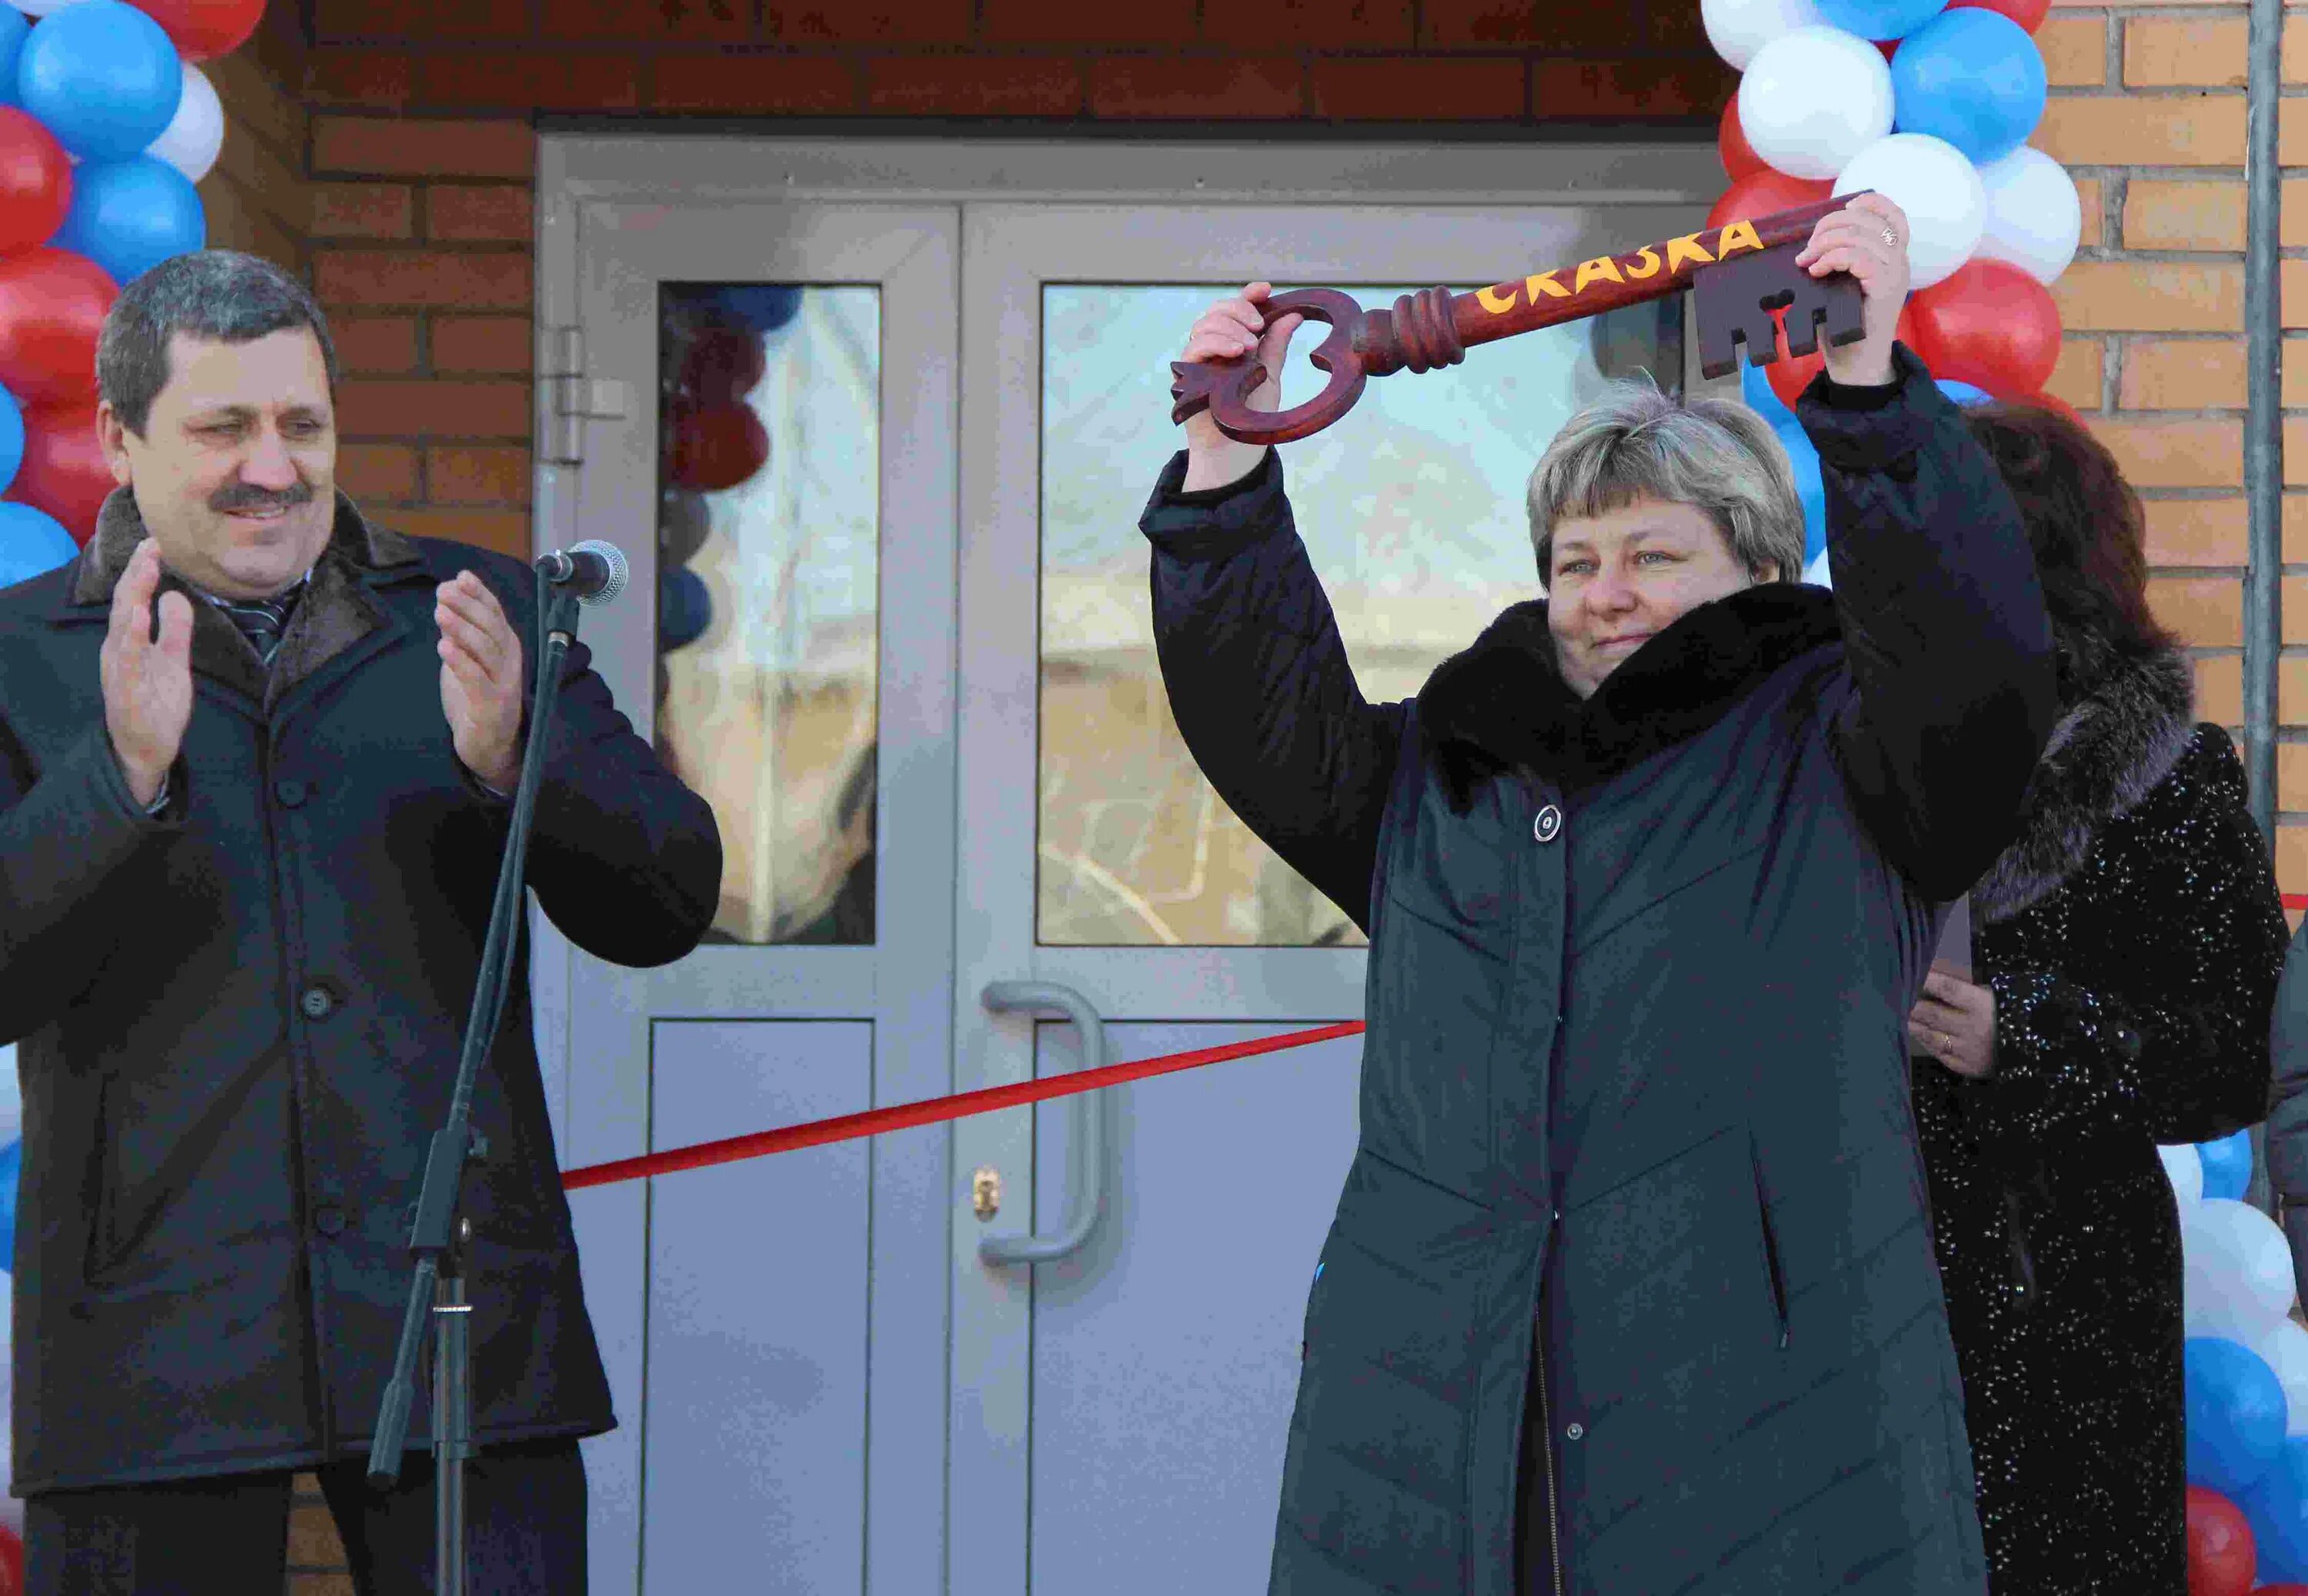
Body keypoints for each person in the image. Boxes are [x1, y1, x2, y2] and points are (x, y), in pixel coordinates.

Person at [1142, 194, 2056, 1593]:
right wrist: (1222, 463)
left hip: (1765, 1419)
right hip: (1444, 1398)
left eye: (1652, 554)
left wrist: (1869, 399)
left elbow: (1967, 662)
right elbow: (1271, 720)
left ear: (1758, 566)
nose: (1605, 592)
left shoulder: (1849, 750)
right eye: (1576, 560)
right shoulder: (1443, 772)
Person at [0, 250, 721, 1594]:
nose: (272, 467)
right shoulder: (20, 655)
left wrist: (519, 765)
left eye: (303, 424)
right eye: (223, 428)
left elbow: (670, 902)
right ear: (117, 438)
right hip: (150, 1340)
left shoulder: (479, 613)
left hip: (460, 1323)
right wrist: (123, 780)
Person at [1903, 401, 2286, 1594]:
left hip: (2062, 1283)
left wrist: (2026, 1037)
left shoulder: (2167, 776)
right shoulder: (1850, 749)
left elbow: (2237, 1049)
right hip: (1868, 1261)